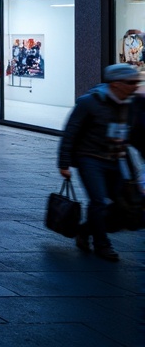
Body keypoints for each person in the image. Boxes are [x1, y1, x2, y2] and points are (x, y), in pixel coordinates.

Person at [58, 63, 140, 261]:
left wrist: (133, 169)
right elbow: (71, 132)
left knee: (120, 204)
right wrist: (64, 163)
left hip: (116, 160)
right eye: (131, 82)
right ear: (116, 84)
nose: (135, 86)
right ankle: (102, 244)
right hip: (90, 159)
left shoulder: (128, 104)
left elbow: (132, 136)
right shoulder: (89, 102)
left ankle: (85, 231)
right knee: (98, 201)